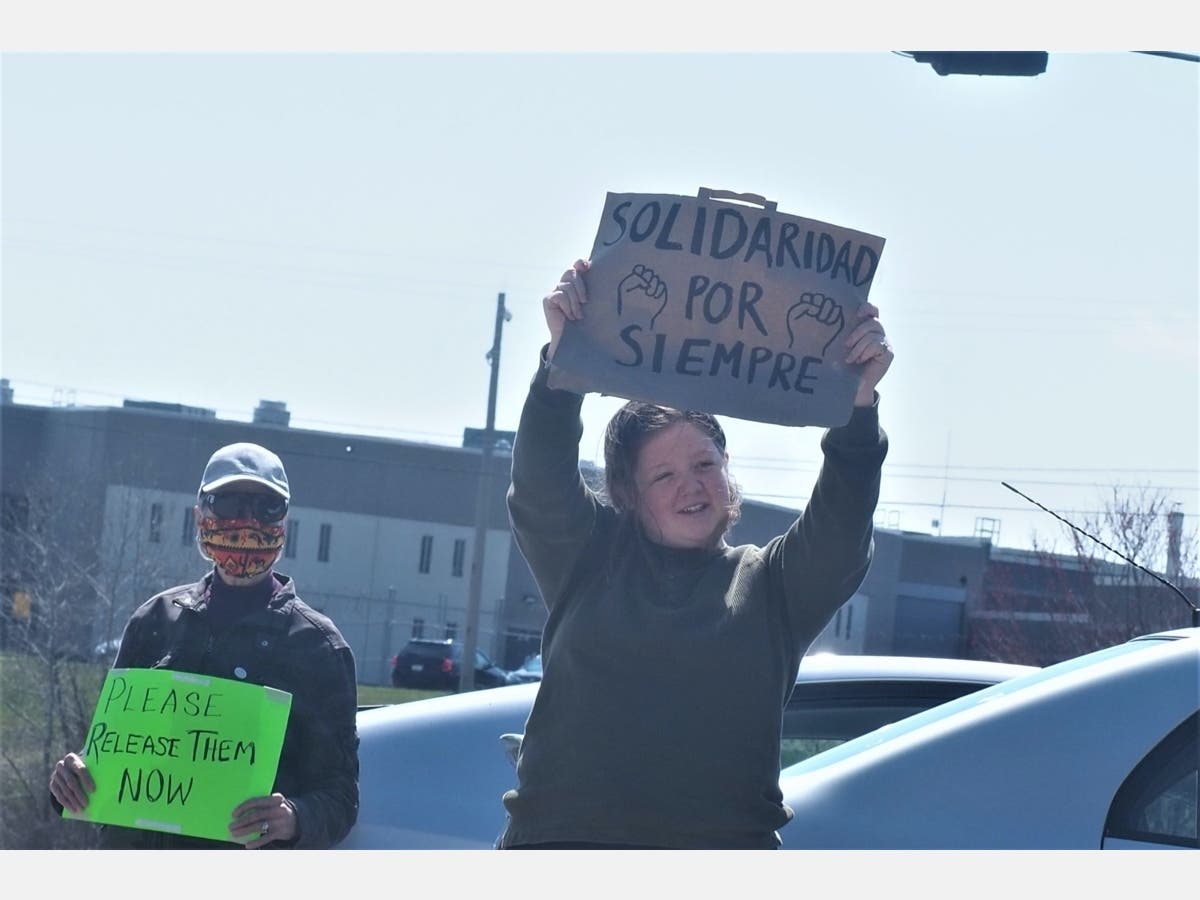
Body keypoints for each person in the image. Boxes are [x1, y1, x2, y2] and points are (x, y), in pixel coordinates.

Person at [499, 258, 893, 850]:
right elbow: (540, 483)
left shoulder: (770, 584)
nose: (692, 485)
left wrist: (857, 406)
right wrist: (565, 360)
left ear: (728, 474)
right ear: (628, 495)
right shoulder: (588, 555)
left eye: (705, 464)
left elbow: (839, 529)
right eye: (664, 475)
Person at [49, 442, 360, 849]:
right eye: (228, 503)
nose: (246, 521)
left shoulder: (318, 648)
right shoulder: (154, 620)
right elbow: (109, 754)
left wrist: (295, 817)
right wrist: (70, 780)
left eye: (266, 507)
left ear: (285, 522)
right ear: (200, 516)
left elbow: (341, 796)